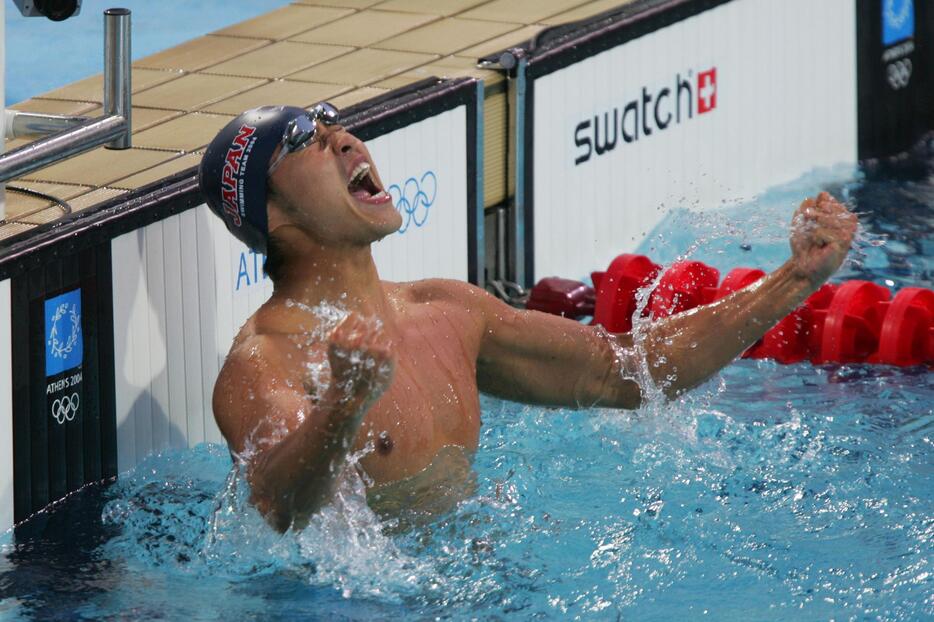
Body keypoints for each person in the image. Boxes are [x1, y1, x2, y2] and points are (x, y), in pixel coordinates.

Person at [198, 104, 857, 532]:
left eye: (333, 122)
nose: (343, 139)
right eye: (306, 143)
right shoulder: (265, 360)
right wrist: (343, 404)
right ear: (272, 214)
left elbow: (628, 372)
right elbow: (279, 507)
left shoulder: (447, 310)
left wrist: (795, 277)